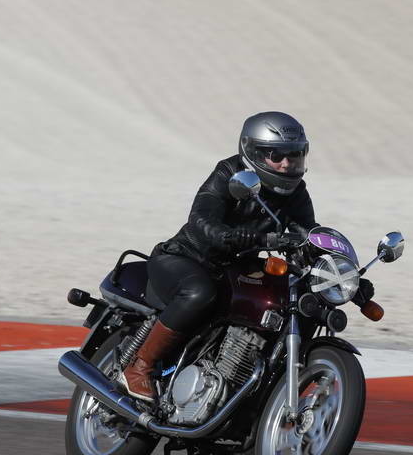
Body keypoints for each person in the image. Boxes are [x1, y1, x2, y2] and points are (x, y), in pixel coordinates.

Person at [118, 111, 367, 402]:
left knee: (285, 298)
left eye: (294, 154)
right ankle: (140, 367)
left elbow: (308, 233)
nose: (287, 163)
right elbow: (201, 218)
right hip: (187, 258)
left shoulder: (295, 191)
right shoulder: (229, 174)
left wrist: (345, 276)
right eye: (276, 155)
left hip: (237, 267)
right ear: (254, 152)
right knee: (199, 293)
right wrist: (232, 235)